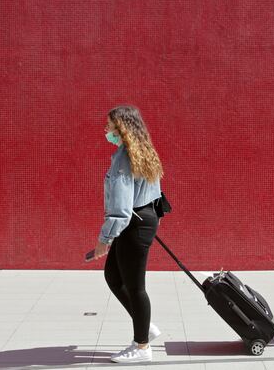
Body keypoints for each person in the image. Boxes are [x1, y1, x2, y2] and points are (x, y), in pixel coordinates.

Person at [88, 105, 163, 363]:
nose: (106, 130)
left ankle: (142, 347)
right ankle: (145, 327)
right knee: (113, 275)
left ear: (122, 128)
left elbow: (120, 209)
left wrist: (103, 241)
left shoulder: (124, 158)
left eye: (109, 126)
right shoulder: (141, 149)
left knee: (134, 286)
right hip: (142, 219)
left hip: (134, 223)